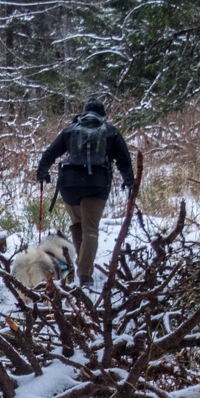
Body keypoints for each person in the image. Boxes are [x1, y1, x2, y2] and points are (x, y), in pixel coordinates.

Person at [35, 97, 135, 286]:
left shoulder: (71, 130)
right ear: (102, 115)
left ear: (84, 112)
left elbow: (49, 154)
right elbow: (124, 160)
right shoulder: (110, 132)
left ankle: (82, 266)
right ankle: (85, 274)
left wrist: (42, 174)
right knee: (90, 228)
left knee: (78, 225)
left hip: (69, 184)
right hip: (96, 185)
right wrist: (129, 181)